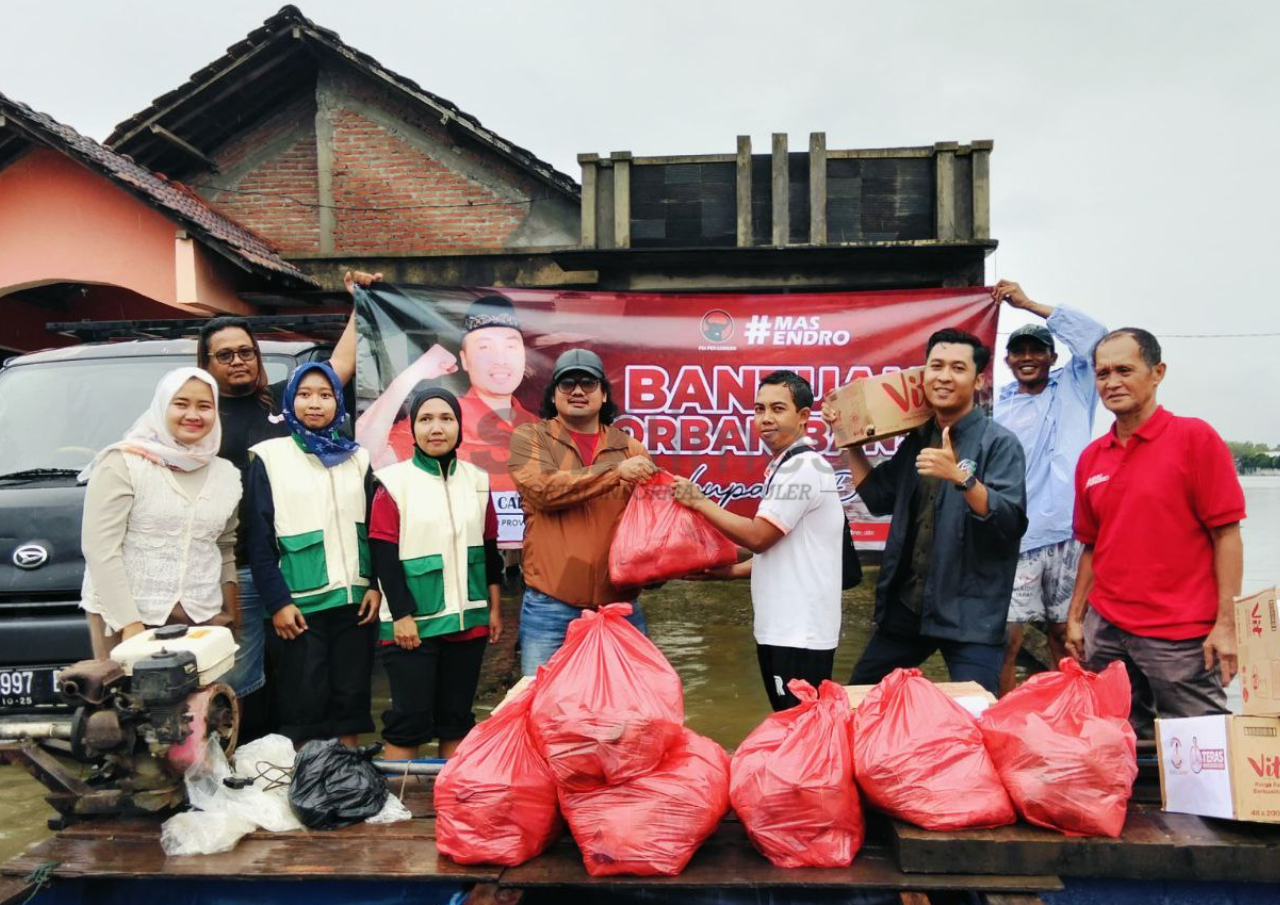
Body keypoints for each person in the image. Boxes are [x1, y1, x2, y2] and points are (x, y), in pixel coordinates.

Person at [196, 272, 364, 720]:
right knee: (238, 676)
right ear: (206, 363)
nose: (238, 361)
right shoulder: (202, 417)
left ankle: (277, 766)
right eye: (225, 355)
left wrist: (358, 302)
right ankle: (234, 768)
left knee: (295, 680)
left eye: (246, 352)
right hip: (234, 569)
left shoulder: (283, 406)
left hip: (291, 567)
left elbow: (337, 368)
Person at [1064, 328, 1245, 738]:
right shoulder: (1092, 458)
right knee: (1117, 743)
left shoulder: (1194, 439)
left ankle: (1206, 806)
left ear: (1157, 372)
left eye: (1124, 370)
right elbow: (1092, 547)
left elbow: (1227, 537)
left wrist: (1227, 625)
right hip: (1107, 630)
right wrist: (1076, 618)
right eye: (1102, 373)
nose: (1112, 383)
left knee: (1205, 747)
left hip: (1180, 635)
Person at [827, 329, 1027, 696]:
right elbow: (876, 496)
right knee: (859, 701)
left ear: (978, 379)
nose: (944, 376)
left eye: (957, 368)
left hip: (970, 614)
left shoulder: (999, 443)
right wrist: (847, 437)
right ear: (924, 375)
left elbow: (1010, 522)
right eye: (936, 366)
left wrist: (962, 479)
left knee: (976, 717)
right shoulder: (918, 439)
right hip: (909, 607)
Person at [672, 371, 845, 711]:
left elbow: (758, 537)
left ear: (804, 417)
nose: (765, 418)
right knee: (793, 728)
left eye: (778, 409)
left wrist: (698, 501)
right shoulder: (787, 466)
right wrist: (723, 571)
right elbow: (778, 553)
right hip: (783, 628)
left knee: (799, 729)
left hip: (798, 633)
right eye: (758, 409)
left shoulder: (803, 469)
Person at [243, 362, 379, 747]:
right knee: (303, 702)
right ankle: (309, 783)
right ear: (290, 402)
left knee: (350, 700)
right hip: (299, 607)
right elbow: (259, 539)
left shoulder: (359, 459)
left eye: (325, 395)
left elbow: (374, 530)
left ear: (338, 402)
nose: (314, 404)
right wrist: (279, 603)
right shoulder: (270, 457)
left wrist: (374, 586)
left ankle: (348, 782)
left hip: (355, 602)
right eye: (304, 395)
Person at [369, 388, 504, 759]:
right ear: (413, 429)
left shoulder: (477, 479)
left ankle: (445, 805)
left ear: (459, 426)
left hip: (468, 621)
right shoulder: (393, 483)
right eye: (426, 419)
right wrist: (401, 615)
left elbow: (489, 548)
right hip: (413, 624)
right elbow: (383, 555)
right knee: (409, 719)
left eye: (446, 418)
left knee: (456, 718)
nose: (437, 428)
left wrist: (493, 609)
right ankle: (401, 810)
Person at [508, 348, 658, 674]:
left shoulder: (631, 448)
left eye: (588, 383)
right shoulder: (530, 439)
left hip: (620, 607)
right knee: (541, 708)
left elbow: (650, 525)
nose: (578, 391)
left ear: (604, 394)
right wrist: (616, 473)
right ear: (554, 395)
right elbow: (544, 490)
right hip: (550, 607)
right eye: (567, 383)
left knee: (631, 711)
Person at [991, 280, 1107, 696]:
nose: (1028, 358)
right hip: (1018, 538)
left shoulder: (1076, 386)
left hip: (1071, 536)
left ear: (1052, 356)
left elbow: (1097, 337)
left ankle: (1075, 717)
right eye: (1019, 351)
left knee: (1067, 632)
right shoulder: (997, 406)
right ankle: (1001, 720)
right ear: (1007, 360)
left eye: (1036, 350)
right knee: (1006, 639)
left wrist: (1027, 305)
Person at [79, 368, 241, 657]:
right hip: (126, 619)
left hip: (201, 619)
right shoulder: (123, 463)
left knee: (202, 702)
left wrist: (230, 615)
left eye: (204, 406)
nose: (193, 414)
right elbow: (100, 549)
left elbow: (224, 547)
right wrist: (130, 625)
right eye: (181, 404)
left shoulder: (226, 475)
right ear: (161, 405)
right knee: (129, 700)